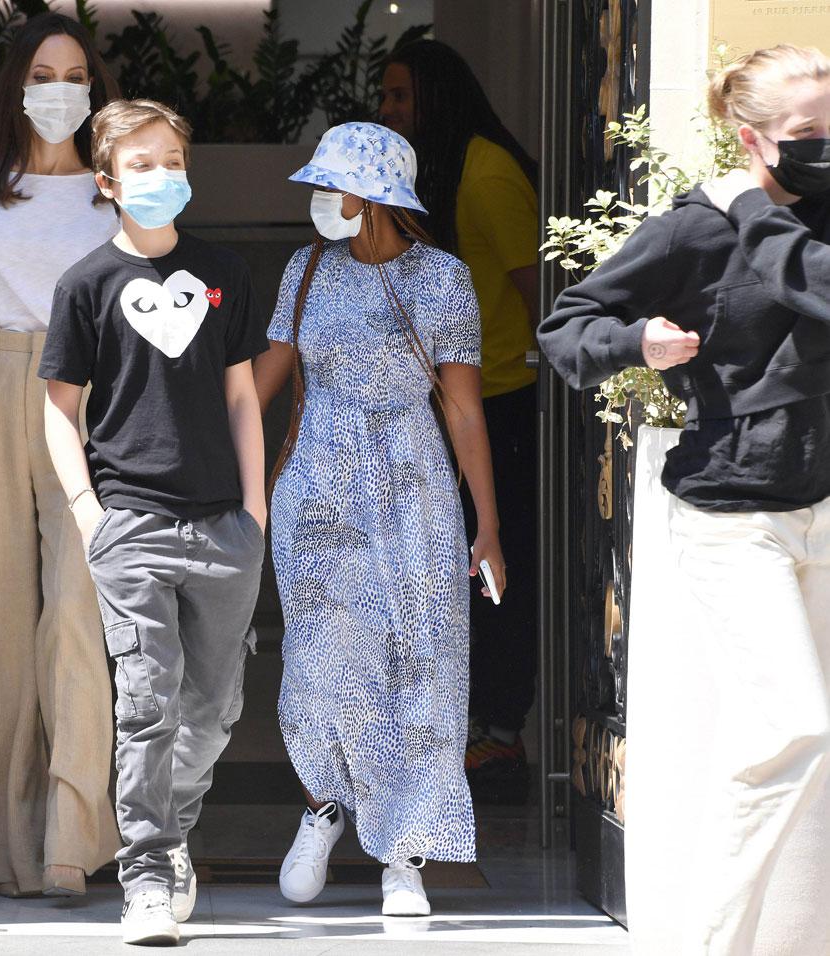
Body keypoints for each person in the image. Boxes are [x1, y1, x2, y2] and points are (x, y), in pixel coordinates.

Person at [538, 44, 830, 956]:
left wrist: (755, 206)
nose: (828, 144)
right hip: (732, 514)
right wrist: (636, 341)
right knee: (793, 727)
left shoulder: (800, 219)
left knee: (793, 745)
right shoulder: (693, 231)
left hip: (824, 502)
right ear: (753, 137)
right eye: (808, 134)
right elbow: (565, 325)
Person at [253, 123, 504, 918]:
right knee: (319, 664)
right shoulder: (304, 271)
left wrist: (487, 524)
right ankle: (323, 806)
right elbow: (258, 387)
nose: (322, 200)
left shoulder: (442, 280)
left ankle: (405, 854)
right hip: (318, 486)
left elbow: (464, 412)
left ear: (378, 198)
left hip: (412, 483)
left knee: (420, 665)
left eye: (336, 186)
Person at [40, 98, 268, 946]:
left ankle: (171, 827)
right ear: (106, 182)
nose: (159, 176)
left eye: (171, 159)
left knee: (213, 711)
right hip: (128, 525)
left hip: (224, 529)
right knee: (145, 706)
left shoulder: (225, 272)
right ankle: (145, 871)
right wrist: (89, 515)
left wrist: (255, 513)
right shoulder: (84, 286)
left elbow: (243, 395)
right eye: (140, 164)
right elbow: (60, 410)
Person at [0, 13, 122, 898]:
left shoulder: (116, 186)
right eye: (44, 72)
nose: (60, 88)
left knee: (79, 615)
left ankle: (71, 839)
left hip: (91, 392)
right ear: (17, 84)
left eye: (76, 73)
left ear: (95, 87)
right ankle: (7, 843)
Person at [381, 40, 540, 802]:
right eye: (386, 97)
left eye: (403, 97)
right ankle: (470, 723)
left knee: (497, 563)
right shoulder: (440, 171)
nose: (390, 111)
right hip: (452, 399)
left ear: (438, 99)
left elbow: (538, 291)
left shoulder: (485, 175)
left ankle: (502, 733)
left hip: (501, 398)